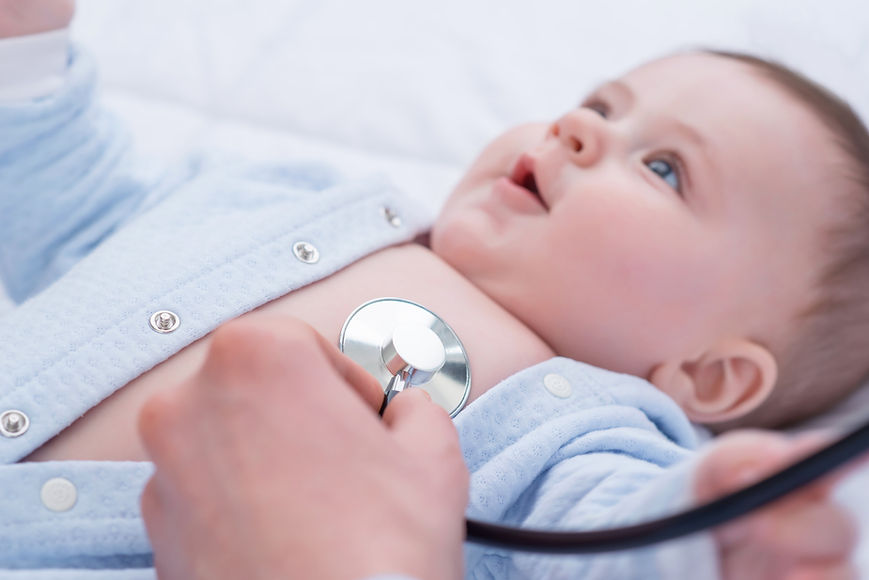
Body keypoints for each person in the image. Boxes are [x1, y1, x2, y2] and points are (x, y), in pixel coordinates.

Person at [0, 0, 866, 577]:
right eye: (599, 107)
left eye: (664, 168)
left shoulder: (580, 435)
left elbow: (612, 542)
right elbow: (82, 210)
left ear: (707, 377)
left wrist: (716, 520)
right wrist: (26, 57)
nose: (574, 129)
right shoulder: (292, 196)